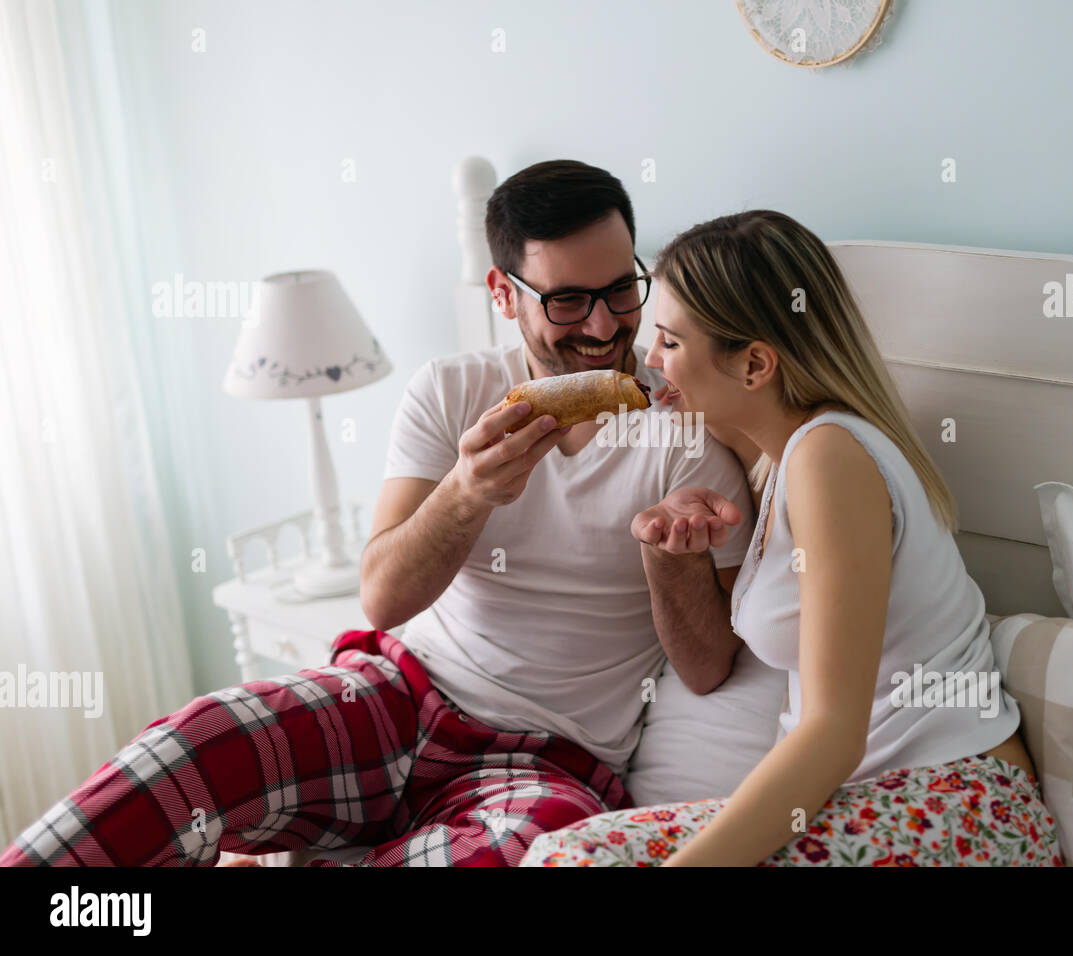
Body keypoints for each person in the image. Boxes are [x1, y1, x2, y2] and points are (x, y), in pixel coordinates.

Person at [0, 160, 755, 867]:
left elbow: (707, 667)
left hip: (548, 757)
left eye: (621, 290)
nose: (602, 327)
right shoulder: (450, 391)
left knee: (537, 847)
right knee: (196, 742)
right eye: (566, 301)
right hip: (394, 695)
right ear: (501, 294)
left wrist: (671, 556)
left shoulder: (686, 441)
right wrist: (466, 492)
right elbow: (383, 598)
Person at [521, 210, 1064, 867]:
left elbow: (834, 734)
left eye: (668, 341)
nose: (650, 361)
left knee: (574, 859)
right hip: (881, 801)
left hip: (960, 808)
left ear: (754, 365)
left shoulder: (828, 459)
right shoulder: (778, 456)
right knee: (568, 854)